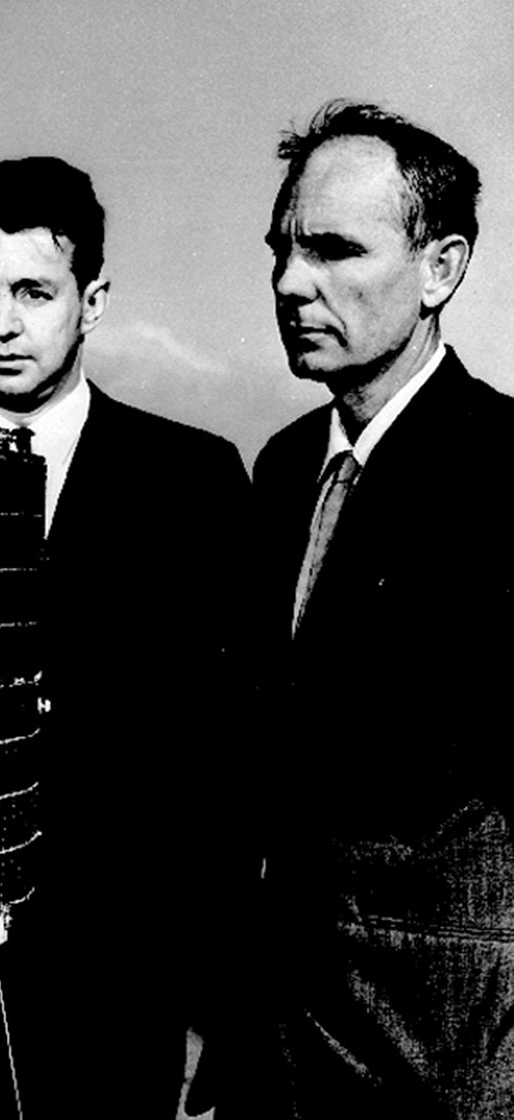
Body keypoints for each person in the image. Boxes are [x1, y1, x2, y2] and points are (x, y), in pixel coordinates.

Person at [0, 156, 251, 1117]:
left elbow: (224, 765)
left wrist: (212, 1006)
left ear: (92, 300)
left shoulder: (193, 481)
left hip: (112, 985)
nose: (2, 325)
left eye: (33, 293)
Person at [226, 100, 514, 1117]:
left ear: (440, 268)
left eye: (334, 250)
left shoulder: (507, 472)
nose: (288, 283)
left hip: (439, 1051)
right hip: (279, 1044)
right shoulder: (280, 468)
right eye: (281, 250)